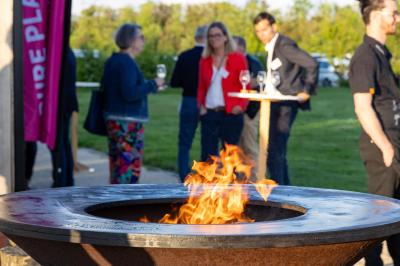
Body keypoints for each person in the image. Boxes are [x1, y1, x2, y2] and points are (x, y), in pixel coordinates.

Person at [349, 0, 400, 264]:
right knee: (381, 215)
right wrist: (386, 148)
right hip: (382, 148)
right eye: (394, 13)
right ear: (376, 14)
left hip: (393, 143)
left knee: (395, 214)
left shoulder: (381, 53)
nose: (397, 18)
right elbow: (362, 107)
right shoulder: (365, 56)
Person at [253, 12, 319, 185]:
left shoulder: (284, 45)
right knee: (275, 150)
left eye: (264, 30)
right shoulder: (273, 46)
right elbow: (278, 77)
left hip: (286, 104)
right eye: (258, 31)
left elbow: (311, 63)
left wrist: (307, 89)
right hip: (275, 102)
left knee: (274, 150)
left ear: (274, 27)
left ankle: (280, 194)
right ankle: (285, 191)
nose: (261, 35)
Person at [102, 23, 165, 184]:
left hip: (116, 120)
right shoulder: (126, 62)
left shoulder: (114, 60)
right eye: (141, 37)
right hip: (127, 124)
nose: (143, 41)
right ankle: (124, 204)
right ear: (130, 40)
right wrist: (153, 84)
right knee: (127, 169)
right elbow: (129, 93)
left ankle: (115, 202)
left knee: (118, 167)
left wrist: (151, 87)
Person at [197, 22, 248, 161]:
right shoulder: (205, 60)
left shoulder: (238, 58)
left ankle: (230, 183)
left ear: (226, 37)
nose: (214, 38)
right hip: (210, 114)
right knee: (208, 157)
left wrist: (241, 105)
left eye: (218, 35)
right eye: (211, 36)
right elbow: (201, 86)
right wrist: (201, 106)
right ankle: (207, 183)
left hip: (231, 113)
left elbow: (246, 85)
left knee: (230, 159)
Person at [170, 25, 207, 182]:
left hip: (189, 100)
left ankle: (184, 177)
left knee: (184, 142)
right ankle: (207, 175)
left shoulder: (184, 56)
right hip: (208, 102)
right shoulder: (210, 57)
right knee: (208, 141)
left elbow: (174, 81)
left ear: (195, 37)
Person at [233, 35, 264, 176]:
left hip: (250, 111)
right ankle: (241, 183)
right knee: (237, 147)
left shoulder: (253, 63)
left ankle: (256, 180)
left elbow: (258, 83)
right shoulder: (232, 61)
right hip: (236, 110)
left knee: (250, 146)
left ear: (241, 47)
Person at [51, 46, 78, 187]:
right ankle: (66, 180)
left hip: (59, 103)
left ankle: (61, 181)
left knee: (59, 144)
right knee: (63, 143)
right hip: (65, 102)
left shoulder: (59, 51)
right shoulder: (67, 51)